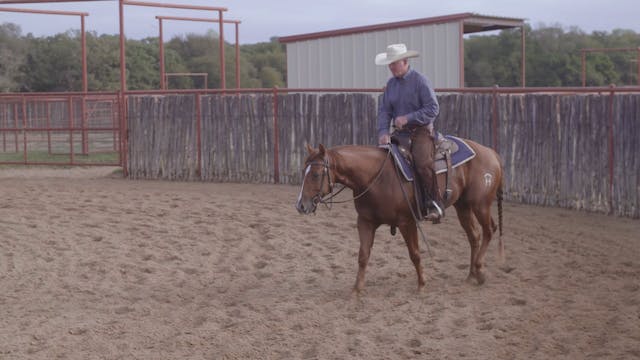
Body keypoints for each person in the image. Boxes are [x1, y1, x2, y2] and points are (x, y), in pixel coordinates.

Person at [375, 43, 443, 222]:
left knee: (422, 163)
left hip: (421, 131)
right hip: (400, 133)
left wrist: (408, 117)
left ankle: (433, 203)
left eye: (394, 63)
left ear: (405, 61)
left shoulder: (420, 81)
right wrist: (383, 131)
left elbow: (433, 109)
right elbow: (385, 111)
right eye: (389, 64)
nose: (391, 67)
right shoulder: (390, 85)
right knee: (382, 159)